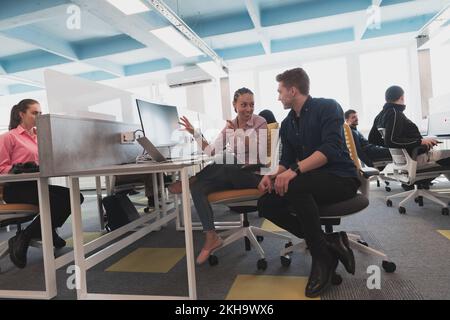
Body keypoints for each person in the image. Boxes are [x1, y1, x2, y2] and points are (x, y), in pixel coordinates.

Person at [257, 68, 360, 298]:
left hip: (340, 178)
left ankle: (321, 258)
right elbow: (285, 160)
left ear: (292, 90)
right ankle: (328, 241)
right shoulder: (287, 123)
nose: (278, 97)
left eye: (280, 91)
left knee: (295, 185)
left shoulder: (328, 107)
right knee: (266, 203)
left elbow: (330, 150)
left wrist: (293, 171)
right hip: (309, 181)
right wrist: (273, 174)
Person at [168, 88, 267, 265]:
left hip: (254, 174)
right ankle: (211, 236)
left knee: (226, 160)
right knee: (199, 187)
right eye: (243, 104)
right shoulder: (231, 125)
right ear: (234, 105)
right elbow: (210, 150)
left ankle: (191, 178)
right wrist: (194, 132)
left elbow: (259, 153)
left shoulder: (260, 122)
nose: (248, 109)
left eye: (251, 104)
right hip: (232, 174)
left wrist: (237, 133)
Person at [0, 99, 84, 268]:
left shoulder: (41, 136)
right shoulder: (9, 137)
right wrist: (20, 168)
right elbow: (1, 168)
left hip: (37, 184)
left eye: (40, 113)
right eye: (34, 113)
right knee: (54, 202)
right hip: (15, 188)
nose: (38, 116)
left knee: (75, 196)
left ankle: (38, 232)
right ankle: (25, 237)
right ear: (21, 114)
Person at [368, 85, 450, 167]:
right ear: (402, 97)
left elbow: (373, 139)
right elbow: (392, 141)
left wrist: (399, 149)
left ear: (386, 99)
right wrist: (420, 142)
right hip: (415, 158)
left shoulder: (380, 116)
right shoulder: (395, 114)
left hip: (405, 159)